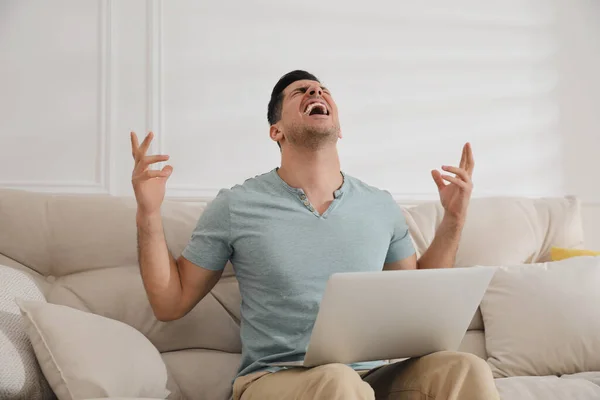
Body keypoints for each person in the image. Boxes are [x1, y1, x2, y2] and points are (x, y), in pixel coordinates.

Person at [130, 70, 499, 400]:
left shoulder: (380, 205)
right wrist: (148, 213)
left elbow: (419, 299)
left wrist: (453, 218)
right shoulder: (237, 205)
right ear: (277, 131)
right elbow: (169, 303)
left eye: (323, 90)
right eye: (301, 92)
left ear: (339, 128)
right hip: (272, 380)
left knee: (466, 368)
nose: (315, 93)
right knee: (338, 382)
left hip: (368, 378)